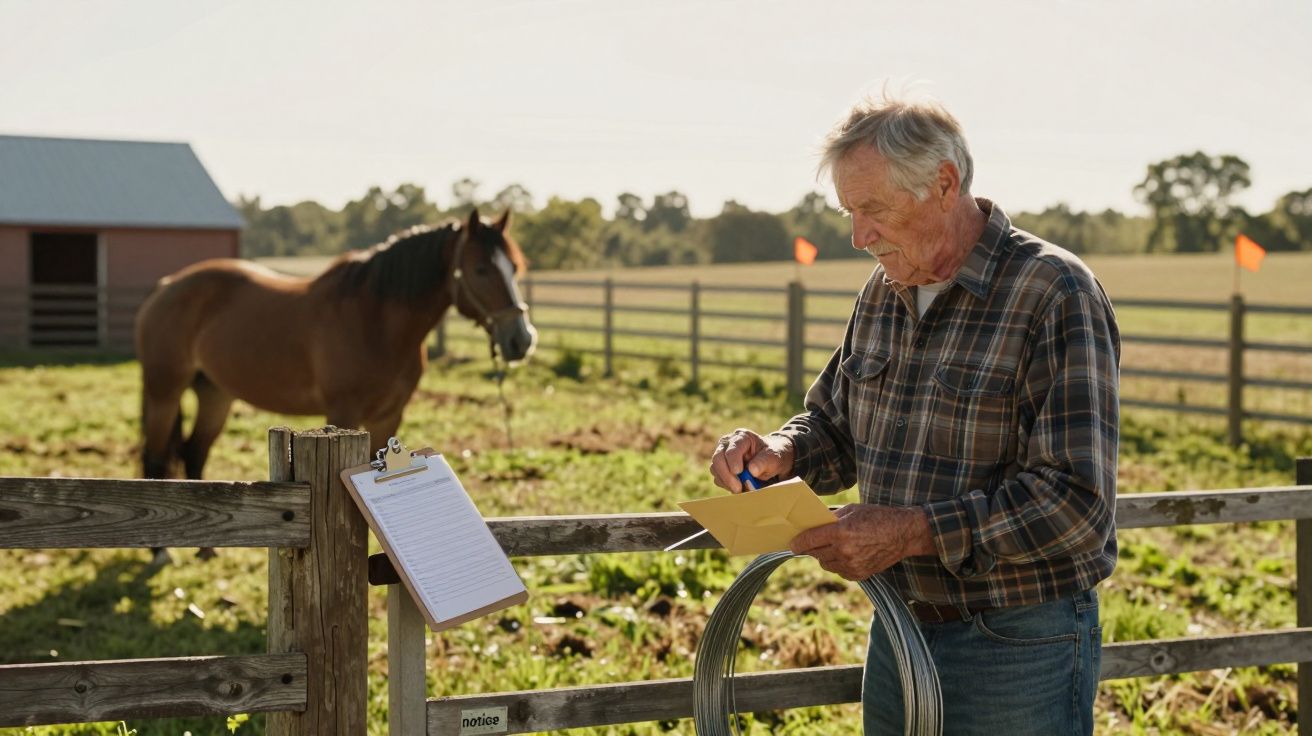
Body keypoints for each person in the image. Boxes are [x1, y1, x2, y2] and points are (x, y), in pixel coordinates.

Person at [708, 95, 1120, 735]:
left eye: (873, 210)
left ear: (944, 184)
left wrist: (912, 531)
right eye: (850, 212)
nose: (858, 236)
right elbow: (835, 426)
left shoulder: (1051, 291)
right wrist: (781, 452)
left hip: (1015, 641)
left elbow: (1076, 506)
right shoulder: (883, 290)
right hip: (899, 631)